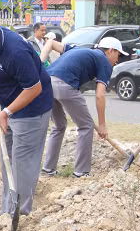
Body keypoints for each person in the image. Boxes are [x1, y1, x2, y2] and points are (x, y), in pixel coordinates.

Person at [0, 10, 53, 216]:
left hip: (32, 109)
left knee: (22, 162)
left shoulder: (16, 52)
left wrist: (6, 111)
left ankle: (20, 215)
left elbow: (34, 88)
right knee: (7, 159)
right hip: (8, 109)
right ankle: (7, 211)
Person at [40, 37, 125, 178]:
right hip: (65, 84)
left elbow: (50, 43)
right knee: (86, 126)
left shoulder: (79, 49)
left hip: (46, 83)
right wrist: (102, 125)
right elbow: (100, 95)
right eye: (118, 55)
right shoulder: (104, 62)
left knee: (59, 125)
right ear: (110, 50)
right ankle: (81, 171)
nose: (118, 60)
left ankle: (48, 169)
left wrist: (40, 62)